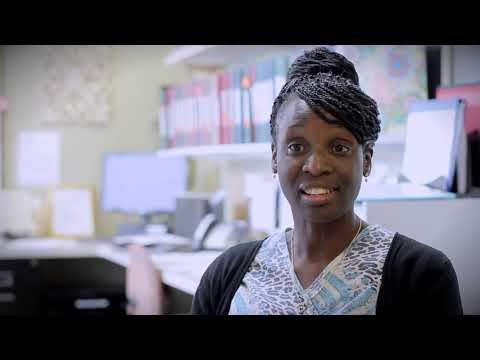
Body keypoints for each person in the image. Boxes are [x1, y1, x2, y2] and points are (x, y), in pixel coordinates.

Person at [191, 47, 463, 315]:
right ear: (275, 157)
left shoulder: (421, 275)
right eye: (297, 147)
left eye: (339, 147)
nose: (316, 166)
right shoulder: (227, 274)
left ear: (367, 159)